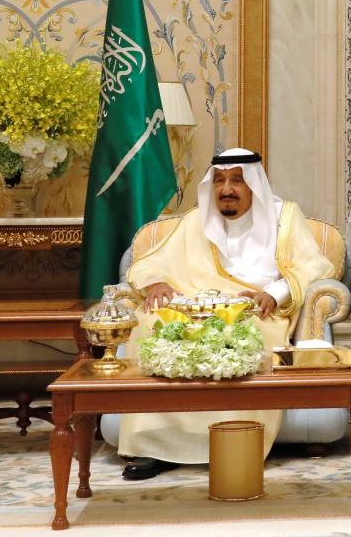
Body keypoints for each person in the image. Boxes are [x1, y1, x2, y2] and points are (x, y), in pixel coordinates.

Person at [119, 149, 339, 479]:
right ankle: (155, 446)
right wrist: (157, 283)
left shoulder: (285, 219)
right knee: (151, 323)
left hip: (254, 309)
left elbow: (317, 266)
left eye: (237, 180)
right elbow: (150, 263)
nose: (226, 189)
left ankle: (237, 438)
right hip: (195, 308)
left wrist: (275, 293)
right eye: (220, 180)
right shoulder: (197, 220)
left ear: (253, 185)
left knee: (247, 335)